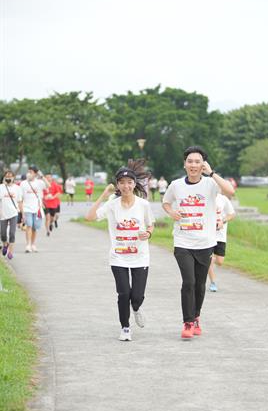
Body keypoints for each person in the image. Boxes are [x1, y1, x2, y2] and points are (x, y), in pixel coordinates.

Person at [162, 146, 235, 339]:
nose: (193, 165)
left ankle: (196, 318)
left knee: (200, 284)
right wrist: (172, 213)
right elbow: (166, 202)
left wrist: (211, 173)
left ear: (203, 164)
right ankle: (187, 323)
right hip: (183, 241)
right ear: (184, 164)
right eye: (190, 161)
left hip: (205, 242)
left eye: (197, 161)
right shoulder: (176, 185)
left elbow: (230, 191)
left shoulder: (211, 184)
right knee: (188, 282)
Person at [86, 159, 155, 342]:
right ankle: (125, 327)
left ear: (134, 184)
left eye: (129, 182)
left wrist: (147, 233)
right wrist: (103, 194)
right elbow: (90, 217)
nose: (126, 186)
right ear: (117, 185)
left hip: (140, 257)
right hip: (119, 257)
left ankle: (137, 308)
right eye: (122, 183)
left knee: (137, 296)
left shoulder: (143, 205)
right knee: (124, 293)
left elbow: (151, 224)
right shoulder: (112, 204)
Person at [208, 194, 236, 292]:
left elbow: (232, 214)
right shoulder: (203, 196)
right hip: (207, 235)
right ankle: (213, 282)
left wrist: (223, 221)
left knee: (219, 261)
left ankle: (203, 261)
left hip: (220, 235)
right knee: (209, 260)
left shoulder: (223, 199)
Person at [20, 166, 50, 253]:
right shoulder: (23, 183)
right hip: (27, 208)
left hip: (37, 209)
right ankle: (28, 245)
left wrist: (42, 176)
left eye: (31, 172)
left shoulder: (39, 182)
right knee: (29, 226)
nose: (29, 173)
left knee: (35, 228)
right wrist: (21, 211)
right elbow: (20, 198)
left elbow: (48, 185)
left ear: (35, 174)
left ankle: (33, 244)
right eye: (28, 171)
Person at [0, 170, 23, 260]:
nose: (9, 178)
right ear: (4, 177)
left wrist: (23, 214)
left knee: (12, 233)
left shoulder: (17, 188)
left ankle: (11, 251)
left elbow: (20, 201)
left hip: (14, 213)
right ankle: (5, 244)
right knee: (2, 234)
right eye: (7, 176)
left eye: (10, 176)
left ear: (14, 178)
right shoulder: (1, 187)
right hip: (2, 214)